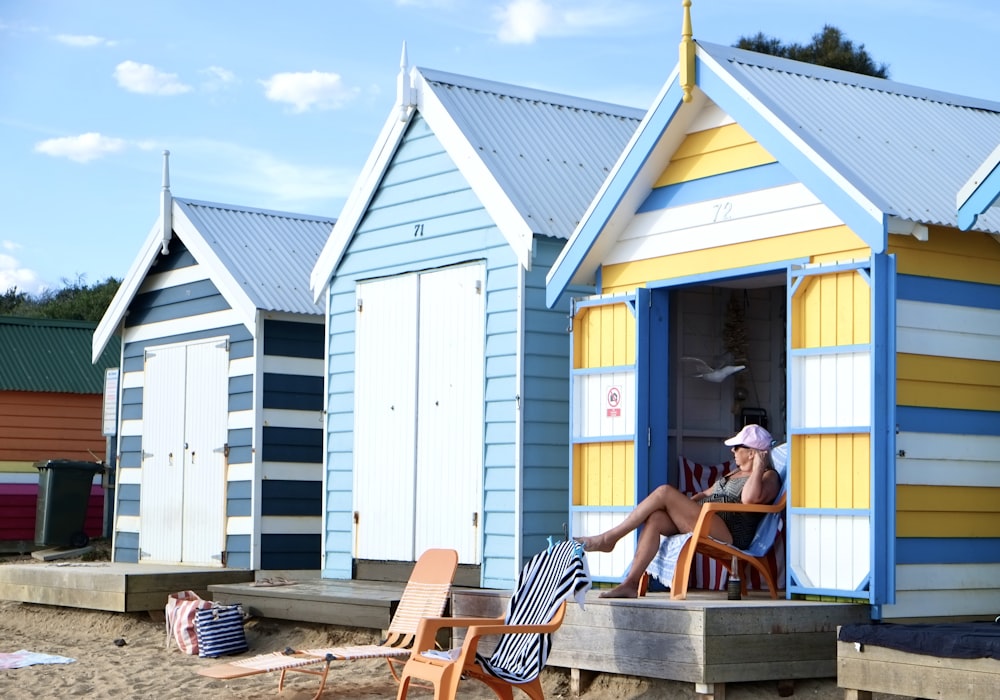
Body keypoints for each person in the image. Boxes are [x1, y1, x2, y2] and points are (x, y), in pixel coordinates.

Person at [575, 424, 780, 598]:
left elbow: (749, 499)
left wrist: (760, 466)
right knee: (656, 518)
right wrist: (686, 504)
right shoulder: (735, 472)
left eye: (737, 447)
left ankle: (608, 539)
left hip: (729, 530)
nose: (733, 451)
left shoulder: (768, 477)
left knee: (664, 491)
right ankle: (630, 582)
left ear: (752, 452)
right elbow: (707, 492)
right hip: (708, 517)